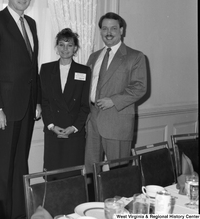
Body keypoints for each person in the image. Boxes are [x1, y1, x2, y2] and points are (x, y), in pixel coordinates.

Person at [0, 0, 42, 219]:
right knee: (2, 168)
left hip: (26, 107)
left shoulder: (32, 24)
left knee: (20, 166)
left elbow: (32, 67)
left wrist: (36, 100)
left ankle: (18, 214)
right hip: (4, 109)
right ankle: (0, 215)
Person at [85, 12, 147, 173]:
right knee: (91, 172)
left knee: (119, 174)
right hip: (92, 121)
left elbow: (140, 87)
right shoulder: (94, 57)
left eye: (113, 28)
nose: (108, 32)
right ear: (100, 31)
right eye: (104, 28)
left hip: (117, 121)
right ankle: (93, 199)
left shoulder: (135, 57)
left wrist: (113, 100)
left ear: (121, 30)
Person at [40, 28, 91, 179]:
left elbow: (84, 105)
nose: (65, 49)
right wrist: (51, 126)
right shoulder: (46, 69)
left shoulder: (84, 71)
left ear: (75, 48)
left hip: (74, 132)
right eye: (61, 45)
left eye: (69, 45)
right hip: (53, 129)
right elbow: (44, 101)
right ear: (56, 48)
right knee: (52, 174)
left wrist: (74, 128)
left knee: (72, 176)